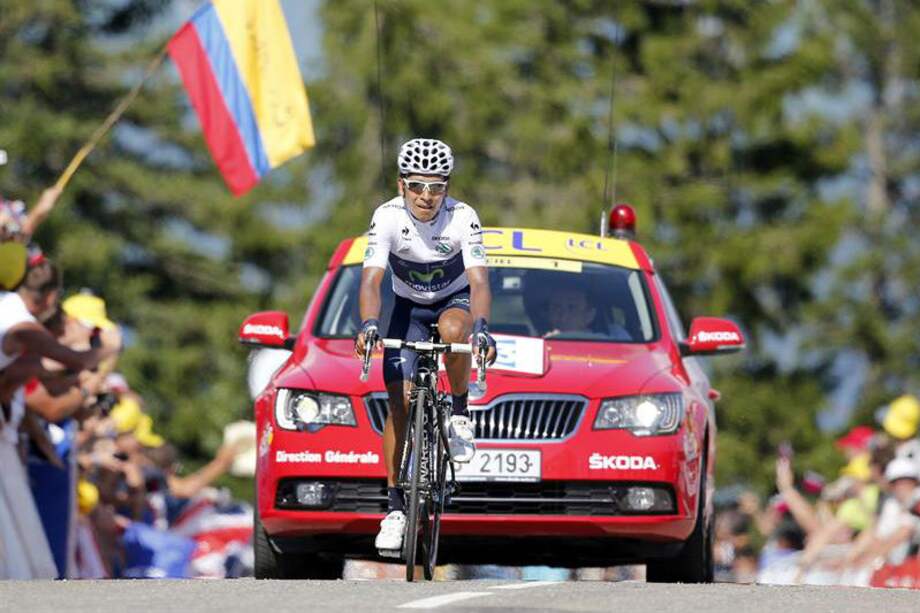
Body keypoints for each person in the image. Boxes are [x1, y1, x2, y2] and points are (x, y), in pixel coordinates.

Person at [354, 138, 496, 555]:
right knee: (398, 404)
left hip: (454, 301)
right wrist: (368, 324)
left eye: (436, 187)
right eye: (417, 186)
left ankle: (460, 412)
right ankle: (395, 508)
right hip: (408, 309)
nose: (426, 196)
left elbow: (479, 281)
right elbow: (371, 280)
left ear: (447, 188)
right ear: (401, 185)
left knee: (453, 331)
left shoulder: (463, 217)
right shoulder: (386, 216)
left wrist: (482, 329)